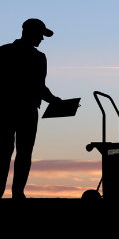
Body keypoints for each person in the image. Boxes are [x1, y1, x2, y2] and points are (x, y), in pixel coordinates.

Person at [0, 19, 63, 199]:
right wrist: (52, 100)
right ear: (29, 32)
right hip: (13, 109)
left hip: (21, 110)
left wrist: (52, 99)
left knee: (19, 152)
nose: (42, 39)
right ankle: (15, 193)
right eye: (40, 35)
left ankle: (17, 192)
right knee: (9, 151)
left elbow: (39, 86)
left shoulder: (8, 52)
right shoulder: (7, 52)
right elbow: (38, 86)